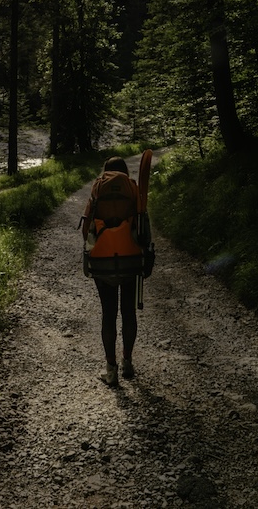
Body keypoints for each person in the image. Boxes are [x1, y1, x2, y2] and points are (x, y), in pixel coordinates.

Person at [81, 156, 140, 387]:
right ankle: (128, 362)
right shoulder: (133, 189)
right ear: (125, 171)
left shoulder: (98, 188)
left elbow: (87, 229)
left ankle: (111, 370)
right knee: (128, 312)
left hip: (103, 261)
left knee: (108, 313)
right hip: (130, 259)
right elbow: (143, 225)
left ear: (105, 171)